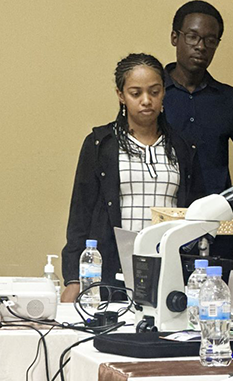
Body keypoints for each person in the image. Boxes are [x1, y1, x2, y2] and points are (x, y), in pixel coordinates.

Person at [61, 53, 202, 302]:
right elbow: (80, 214)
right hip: (112, 271)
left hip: (167, 269)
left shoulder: (182, 148)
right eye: (136, 93)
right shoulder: (100, 145)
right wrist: (73, 278)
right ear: (121, 95)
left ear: (163, 94)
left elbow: (195, 214)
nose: (146, 101)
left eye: (154, 92)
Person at [164, 0, 233, 261]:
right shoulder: (152, 94)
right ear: (175, 37)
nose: (201, 46)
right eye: (193, 37)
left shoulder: (230, 100)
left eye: (211, 40)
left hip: (219, 233)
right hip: (163, 225)